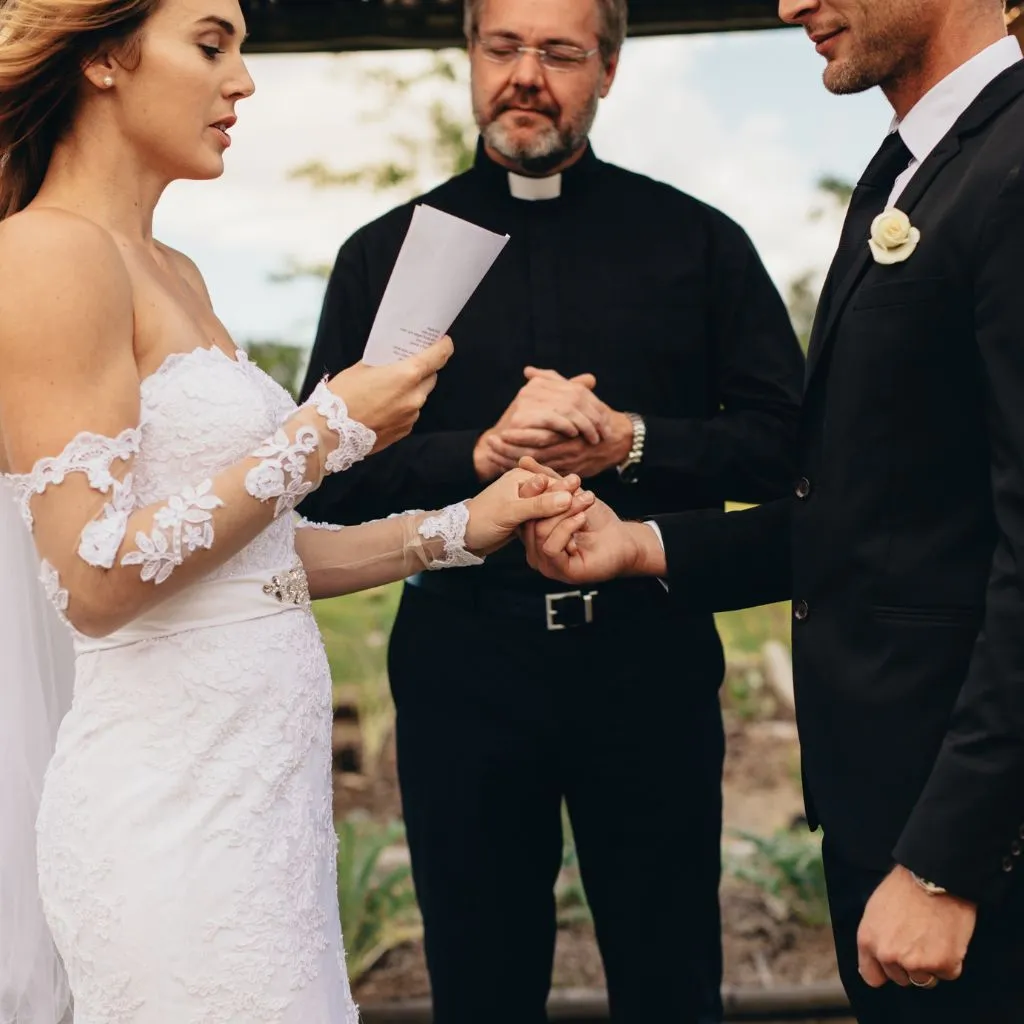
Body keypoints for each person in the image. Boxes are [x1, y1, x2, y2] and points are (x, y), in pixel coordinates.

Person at [0, 0, 592, 1020]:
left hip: (264, 813)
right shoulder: (46, 254)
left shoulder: (175, 270)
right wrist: (327, 428)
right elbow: (91, 580)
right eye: (212, 44)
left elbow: (251, 565)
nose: (243, 82)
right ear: (103, 57)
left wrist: (462, 526)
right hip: (169, 819)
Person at [297, 0, 804, 1020]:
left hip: (647, 661)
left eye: (559, 52)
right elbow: (327, 477)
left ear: (607, 70)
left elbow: (790, 443)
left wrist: (633, 440)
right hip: (460, 668)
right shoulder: (381, 255)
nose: (525, 75)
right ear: (470, 57)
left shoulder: (698, 243)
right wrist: (475, 454)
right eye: (502, 48)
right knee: (480, 988)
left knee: (670, 981)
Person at [521, 1, 1024, 1021]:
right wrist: (642, 545)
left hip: (971, 850)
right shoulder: (906, 174)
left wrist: (945, 862)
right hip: (887, 820)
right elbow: (870, 518)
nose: (791, 2)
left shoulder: (1013, 171)